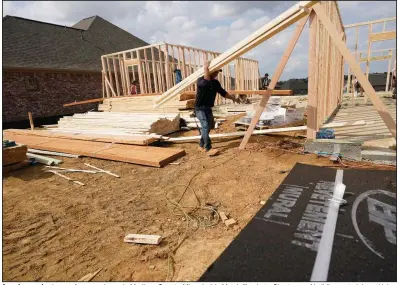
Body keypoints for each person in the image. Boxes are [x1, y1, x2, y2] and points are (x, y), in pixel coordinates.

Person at [195, 60, 240, 156]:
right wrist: (205, 68)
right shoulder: (200, 80)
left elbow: (223, 93)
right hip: (200, 108)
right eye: (214, 72)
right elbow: (205, 84)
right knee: (205, 126)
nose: (216, 74)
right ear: (209, 71)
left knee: (208, 127)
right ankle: (208, 148)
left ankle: (200, 145)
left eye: (217, 72)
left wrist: (234, 98)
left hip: (208, 108)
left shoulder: (215, 83)